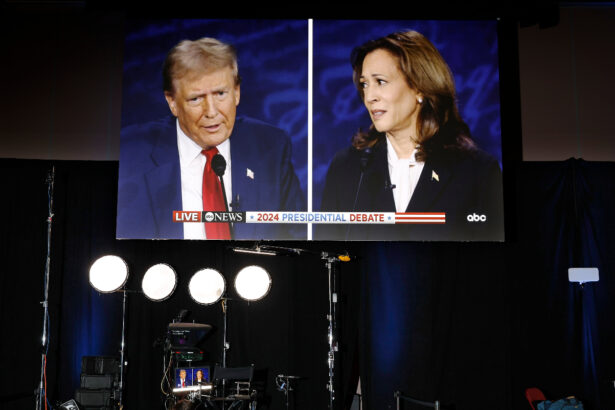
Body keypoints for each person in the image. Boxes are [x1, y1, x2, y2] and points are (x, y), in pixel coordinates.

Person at [318, 30, 504, 241]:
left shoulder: (477, 171)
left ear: (419, 88)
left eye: (380, 81)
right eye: (364, 84)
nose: (369, 97)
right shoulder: (347, 167)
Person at [117, 37, 305, 240]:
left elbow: (296, 237)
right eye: (196, 99)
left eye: (220, 94)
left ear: (236, 92)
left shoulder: (271, 148)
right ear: (172, 102)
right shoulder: (132, 155)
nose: (212, 112)